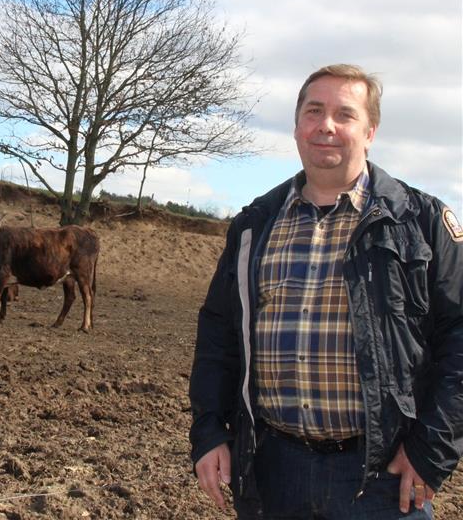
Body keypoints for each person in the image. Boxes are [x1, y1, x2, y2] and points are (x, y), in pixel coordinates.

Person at [189, 64, 463, 519]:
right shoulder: (254, 225)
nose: (326, 126)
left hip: (382, 478)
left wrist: (429, 451)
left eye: (344, 114)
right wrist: (210, 432)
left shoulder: (422, 223)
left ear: (370, 131)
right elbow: (218, 336)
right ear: (297, 127)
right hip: (272, 471)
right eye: (314, 111)